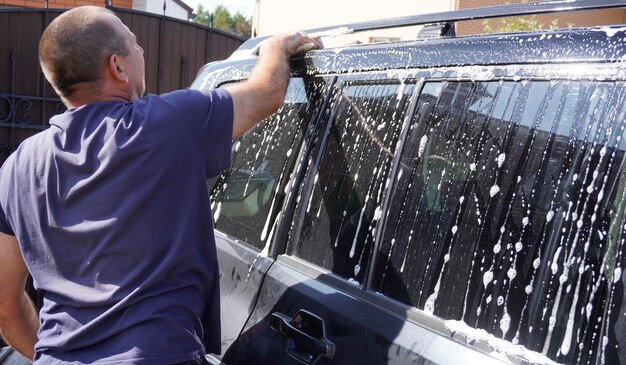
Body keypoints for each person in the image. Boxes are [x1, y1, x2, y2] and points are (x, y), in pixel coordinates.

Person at [0, 6, 321, 364]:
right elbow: (267, 93)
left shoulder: (16, 168)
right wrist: (278, 46)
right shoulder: (169, 121)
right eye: (134, 44)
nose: (141, 52)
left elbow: (6, 304)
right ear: (117, 66)